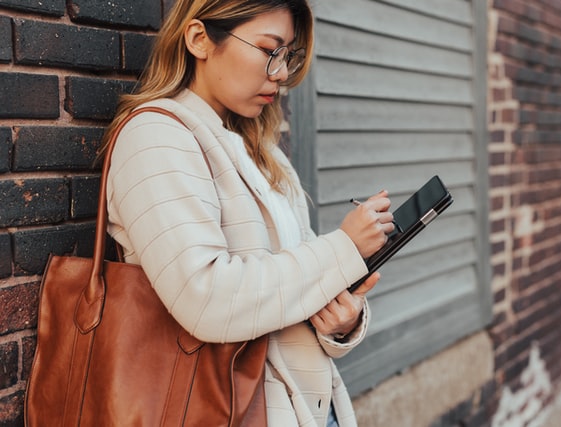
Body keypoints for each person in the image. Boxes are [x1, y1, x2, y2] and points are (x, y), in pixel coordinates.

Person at [101, 0, 394, 425]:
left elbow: (302, 276)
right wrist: (343, 249)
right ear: (200, 39)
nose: (281, 73)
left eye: (287, 55)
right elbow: (207, 298)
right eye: (268, 50)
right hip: (233, 411)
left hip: (309, 408)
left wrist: (342, 320)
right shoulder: (156, 136)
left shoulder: (264, 152)